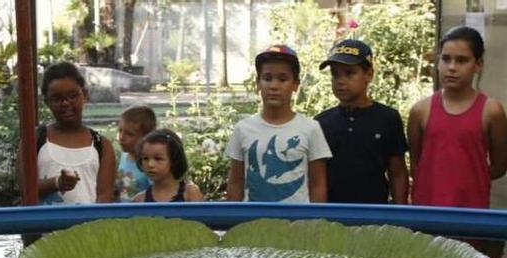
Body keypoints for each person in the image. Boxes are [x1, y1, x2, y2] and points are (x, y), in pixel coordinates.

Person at [408, 26, 507, 208]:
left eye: (462, 60)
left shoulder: (491, 111)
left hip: (471, 217)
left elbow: (499, 166)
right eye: (446, 59)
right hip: (427, 213)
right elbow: (417, 163)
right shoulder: (420, 110)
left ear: (478, 64)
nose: (452, 67)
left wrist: (468, 179)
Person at [226, 45, 331, 203]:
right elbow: (235, 183)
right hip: (253, 222)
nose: (274, 86)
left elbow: (318, 185)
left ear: (295, 84)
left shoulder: (311, 128)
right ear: (258, 83)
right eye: (267, 78)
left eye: (283, 79)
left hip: (297, 224)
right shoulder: (243, 128)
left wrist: (314, 223)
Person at [315, 39, 408, 204]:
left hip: (375, 214)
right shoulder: (321, 122)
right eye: (335, 74)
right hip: (331, 216)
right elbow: (315, 178)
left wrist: (400, 215)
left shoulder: (387, 118)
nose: (341, 81)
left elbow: (397, 172)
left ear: (369, 74)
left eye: (349, 73)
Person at [36, 62, 116, 204]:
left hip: (89, 225)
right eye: (57, 98)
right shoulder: (36, 139)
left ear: (85, 95)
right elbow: (25, 188)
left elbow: (105, 196)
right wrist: (56, 183)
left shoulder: (101, 145)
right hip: (44, 225)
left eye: (73, 96)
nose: (66, 103)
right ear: (47, 102)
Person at [132, 129, 204, 202]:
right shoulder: (139, 200)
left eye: (158, 159)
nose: (150, 164)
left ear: (174, 160)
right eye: (145, 158)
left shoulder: (190, 193)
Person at [116, 105, 156, 201]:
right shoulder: (124, 157)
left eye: (129, 134)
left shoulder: (150, 164)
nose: (121, 137)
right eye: (120, 131)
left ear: (146, 137)